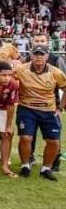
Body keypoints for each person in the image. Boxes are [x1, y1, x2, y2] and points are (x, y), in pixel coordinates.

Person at [14, 46, 66, 181]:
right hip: (26, 108)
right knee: (26, 138)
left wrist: (60, 108)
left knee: (54, 141)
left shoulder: (56, 72)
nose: (39, 57)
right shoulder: (21, 70)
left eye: (42, 54)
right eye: (36, 54)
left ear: (47, 57)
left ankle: (46, 168)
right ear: (31, 56)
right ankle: (25, 165)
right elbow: (8, 79)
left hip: (49, 110)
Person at [26, 32, 66, 169]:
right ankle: (28, 157)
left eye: (42, 40)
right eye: (36, 40)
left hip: (51, 105)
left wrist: (60, 107)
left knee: (53, 134)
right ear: (32, 42)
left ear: (47, 43)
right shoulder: (27, 59)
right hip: (29, 104)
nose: (39, 42)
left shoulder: (56, 59)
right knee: (29, 133)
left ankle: (55, 161)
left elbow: (64, 84)